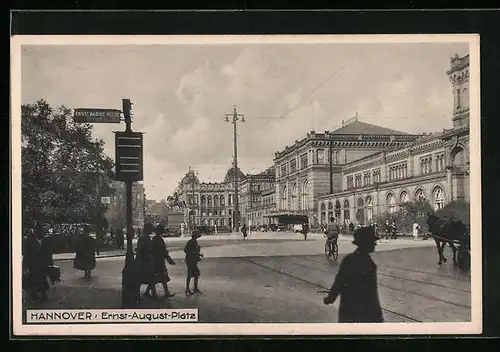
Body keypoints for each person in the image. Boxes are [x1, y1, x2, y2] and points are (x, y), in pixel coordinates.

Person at [323, 226, 384, 323]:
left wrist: (330, 298)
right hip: (365, 313)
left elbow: (339, 282)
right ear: (365, 243)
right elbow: (372, 293)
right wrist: (378, 316)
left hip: (349, 310)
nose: (375, 244)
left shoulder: (350, 260)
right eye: (372, 241)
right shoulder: (369, 264)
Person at [23, 223, 53, 302]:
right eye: (38, 230)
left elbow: (48, 252)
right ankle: (33, 295)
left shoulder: (45, 240)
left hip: (43, 263)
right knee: (33, 279)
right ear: (35, 231)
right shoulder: (29, 240)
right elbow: (26, 253)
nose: (40, 232)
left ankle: (43, 294)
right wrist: (25, 266)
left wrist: (50, 262)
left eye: (41, 230)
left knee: (42, 278)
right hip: (33, 263)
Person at [150, 226, 176, 298]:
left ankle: (157, 293)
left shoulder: (156, 238)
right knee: (160, 277)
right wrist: (169, 259)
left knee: (158, 277)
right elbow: (162, 251)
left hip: (157, 260)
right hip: (158, 260)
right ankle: (160, 293)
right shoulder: (158, 239)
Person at [135, 228, 156, 297]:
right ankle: (152, 293)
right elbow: (148, 249)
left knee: (141, 278)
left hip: (141, 260)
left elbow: (138, 249)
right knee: (150, 278)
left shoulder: (142, 238)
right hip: (146, 260)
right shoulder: (147, 239)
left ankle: (138, 293)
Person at [184, 229, 204, 295]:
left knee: (196, 274)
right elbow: (186, 250)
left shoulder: (194, 241)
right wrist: (195, 253)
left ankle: (194, 288)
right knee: (190, 274)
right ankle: (188, 288)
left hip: (192, 260)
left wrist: (198, 254)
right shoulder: (191, 242)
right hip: (190, 260)